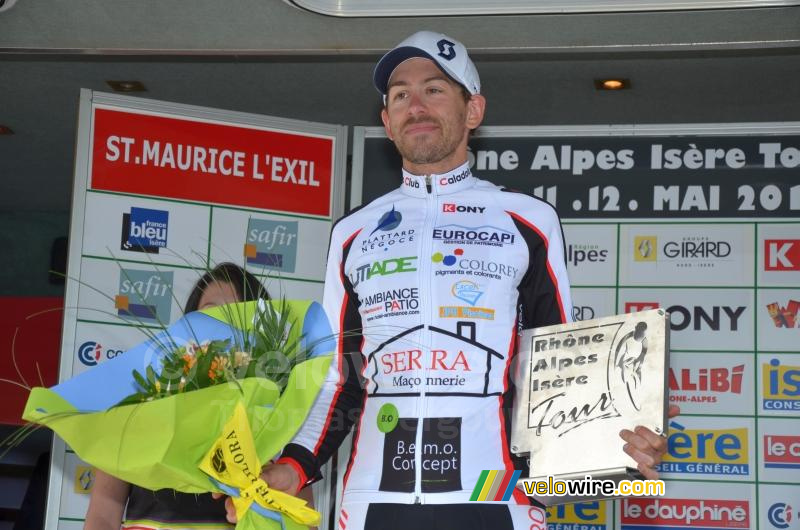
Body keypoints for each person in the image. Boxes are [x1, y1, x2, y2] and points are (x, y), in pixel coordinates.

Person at [229, 30, 678, 529]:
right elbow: (342, 378)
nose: (415, 105)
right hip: (375, 498)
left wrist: (619, 446)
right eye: (400, 95)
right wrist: (295, 465)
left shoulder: (527, 220)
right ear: (386, 121)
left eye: (435, 89)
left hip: (496, 495)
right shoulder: (352, 233)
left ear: (473, 112)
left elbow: (558, 372)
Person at [85, 263, 269, 530]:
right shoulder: (141, 401)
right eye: (209, 313)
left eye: (235, 315)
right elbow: (102, 516)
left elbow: (303, 521)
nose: (219, 324)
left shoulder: (275, 414)